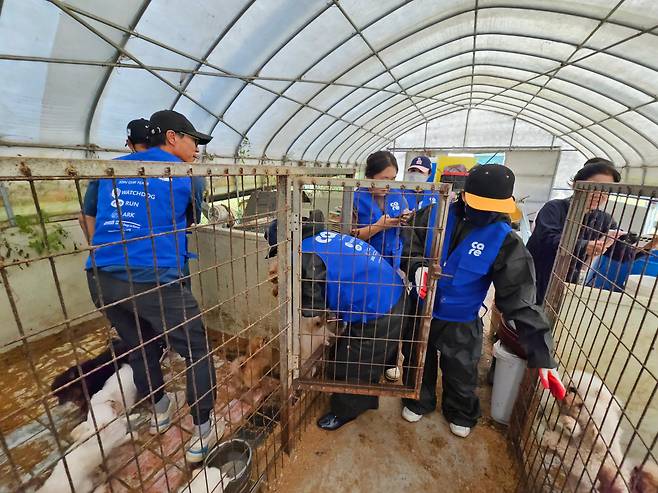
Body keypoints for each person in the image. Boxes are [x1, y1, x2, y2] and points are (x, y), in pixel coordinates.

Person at [84, 109, 219, 462]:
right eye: (194, 141)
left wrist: (110, 251)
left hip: (102, 277)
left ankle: (160, 413)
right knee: (196, 350)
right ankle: (203, 431)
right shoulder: (187, 173)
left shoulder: (110, 168)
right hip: (154, 278)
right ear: (173, 138)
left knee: (140, 345)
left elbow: (90, 217)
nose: (197, 150)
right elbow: (190, 221)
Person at [400, 165, 565, 438]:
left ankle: (461, 412)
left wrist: (542, 354)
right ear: (464, 195)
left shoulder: (506, 240)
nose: (486, 212)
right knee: (418, 360)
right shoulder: (434, 214)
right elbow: (409, 239)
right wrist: (416, 264)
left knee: (461, 369)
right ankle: (418, 400)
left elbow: (521, 300)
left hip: (462, 318)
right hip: (421, 309)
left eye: (494, 206)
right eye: (480, 204)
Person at [264, 212, 409, 431]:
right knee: (365, 353)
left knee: (350, 363)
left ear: (285, 243)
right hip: (391, 293)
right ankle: (372, 385)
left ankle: (344, 412)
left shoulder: (304, 256)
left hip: (380, 308)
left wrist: (288, 290)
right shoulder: (324, 237)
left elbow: (311, 308)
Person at [526, 158, 622, 305]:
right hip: (537, 275)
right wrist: (585, 245)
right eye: (594, 187)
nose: (599, 194)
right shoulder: (554, 208)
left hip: (569, 281)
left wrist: (645, 246)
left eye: (606, 190)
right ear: (577, 184)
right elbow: (548, 238)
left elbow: (618, 251)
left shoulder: (604, 220)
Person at [79, 118, 153, 242]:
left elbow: (85, 217)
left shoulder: (108, 170)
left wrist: (97, 250)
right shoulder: (170, 170)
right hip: (155, 252)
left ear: (129, 143)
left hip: (111, 250)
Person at [351, 151, 410, 269]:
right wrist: (378, 226)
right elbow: (348, 236)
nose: (388, 185)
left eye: (393, 179)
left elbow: (407, 231)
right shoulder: (355, 199)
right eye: (384, 179)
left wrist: (407, 219)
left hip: (393, 262)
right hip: (364, 262)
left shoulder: (398, 196)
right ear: (369, 177)